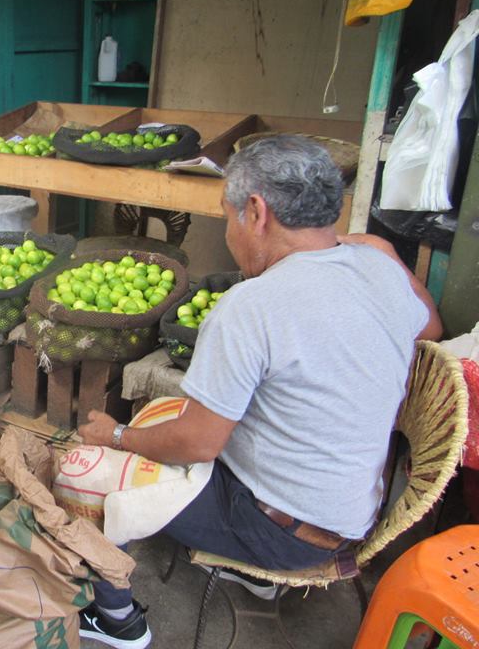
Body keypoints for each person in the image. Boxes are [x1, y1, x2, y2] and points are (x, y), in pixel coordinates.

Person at [75, 135, 442, 649]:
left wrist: (114, 435)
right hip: (354, 512)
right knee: (185, 412)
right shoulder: (380, 267)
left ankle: (117, 621)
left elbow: (199, 444)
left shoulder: (251, 305)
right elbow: (430, 329)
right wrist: (377, 249)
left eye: (227, 217)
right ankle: (249, 574)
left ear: (256, 211)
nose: (229, 233)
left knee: (82, 469)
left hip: (280, 532)